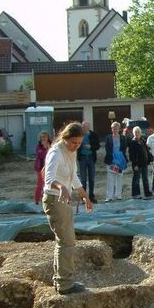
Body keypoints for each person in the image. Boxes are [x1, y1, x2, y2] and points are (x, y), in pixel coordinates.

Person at [42, 122, 93, 295]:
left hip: (64, 200)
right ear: (65, 138)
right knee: (67, 241)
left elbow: (74, 177)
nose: (76, 146)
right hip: (54, 199)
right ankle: (65, 284)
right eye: (73, 143)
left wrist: (85, 196)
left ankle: (61, 281)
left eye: (79, 143)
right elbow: (48, 178)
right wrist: (61, 187)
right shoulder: (55, 152)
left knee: (63, 241)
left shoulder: (71, 152)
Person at [76, 121, 100, 203]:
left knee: (91, 179)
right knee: (83, 179)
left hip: (91, 158)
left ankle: (91, 196)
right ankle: (84, 197)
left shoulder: (93, 135)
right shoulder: (78, 135)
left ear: (88, 127)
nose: (85, 129)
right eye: (83, 127)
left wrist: (91, 147)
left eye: (86, 127)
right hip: (82, 158)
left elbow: (98, 146)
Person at [103, 121, 127, 202]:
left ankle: (118, 195)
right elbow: (107, 149)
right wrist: (112, 158)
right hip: (111, 160)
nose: (115, 129)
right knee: (110, 178)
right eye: (113, 128)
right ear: (111, 129)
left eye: (117, 128)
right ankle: (109, 196)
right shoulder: (108, 138)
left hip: (120, 161)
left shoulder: (123, 138)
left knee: (119, 177)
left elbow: (124, 149)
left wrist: (120, 158)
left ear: (119, 129)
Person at [128, 126, 153, 199]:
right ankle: (135, 194)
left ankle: (147, 193)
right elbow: (131, 155)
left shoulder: (142, 140)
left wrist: (150, 157)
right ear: (133, 133)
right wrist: (135, 164)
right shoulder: (132, 142)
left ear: (140, 133)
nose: (137, 133)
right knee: (136, 179)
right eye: (135, 132)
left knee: (145, 179)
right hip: (137, 164)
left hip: (144, 163)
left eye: (138, 132)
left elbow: (146, 151)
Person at [34, 131, 52, 205]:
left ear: (48, 137)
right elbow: (41, 155)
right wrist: (45, 148)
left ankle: (47, 200)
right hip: (41, 167)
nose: (43, 139)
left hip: (50, 167)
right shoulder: (39, 146)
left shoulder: (51, 145)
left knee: (49, 184)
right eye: (41, 137)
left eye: (44, 137)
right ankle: (37, 200)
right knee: (40, 184)